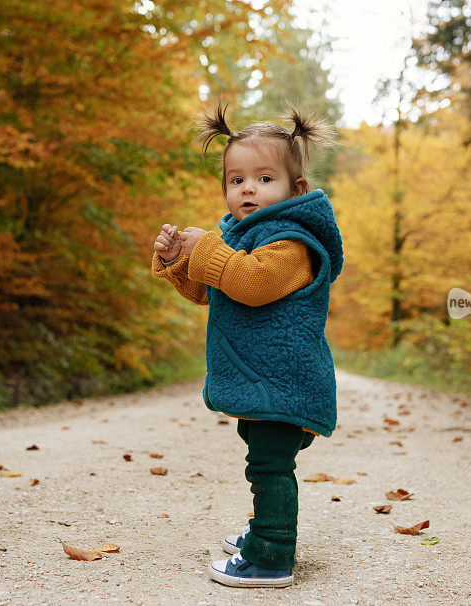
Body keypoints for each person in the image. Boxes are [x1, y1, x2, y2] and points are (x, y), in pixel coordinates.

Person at [151, 101, 343, 588]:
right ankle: (265, 530)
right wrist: (180, 261)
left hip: (285, 381)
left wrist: (210, 249)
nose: (248, 189)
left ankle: (271, 554)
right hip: (265, 382)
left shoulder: (292, 243)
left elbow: (252, 283)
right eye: (236, 181)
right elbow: (215, 290)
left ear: (295, 188)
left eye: (263, 178)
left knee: (270, 465)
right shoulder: (246, 237)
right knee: (262, 457)